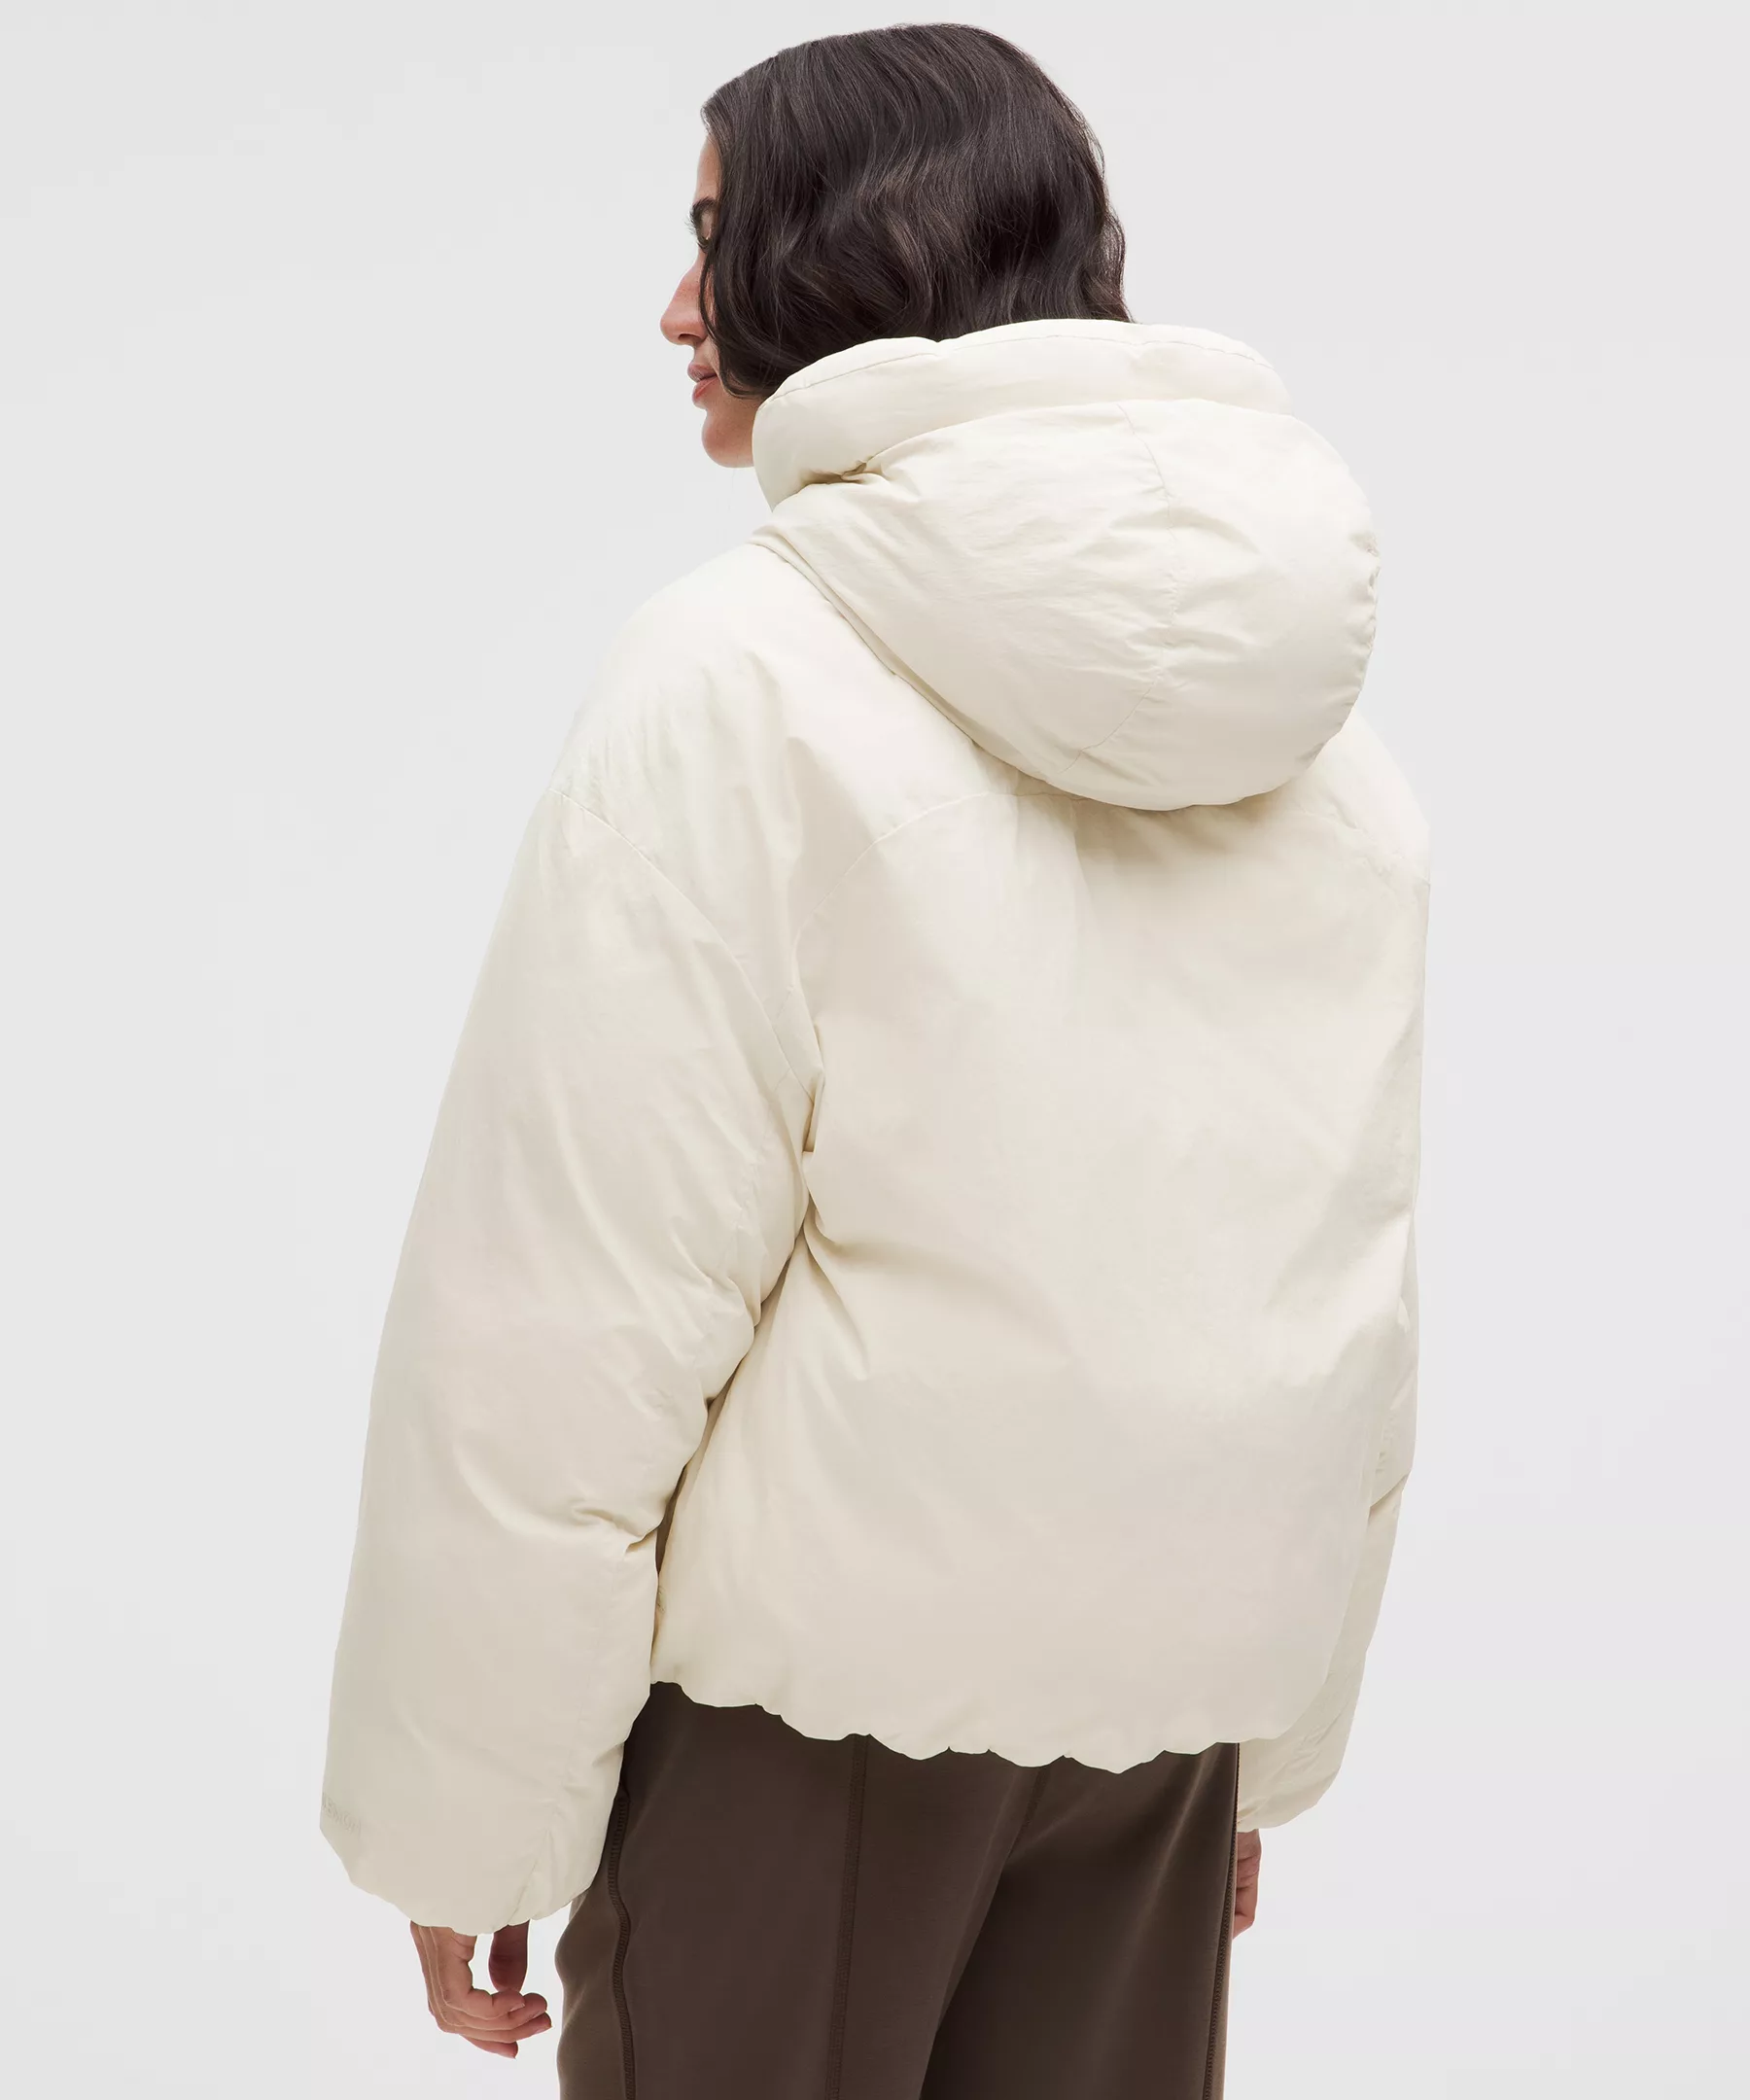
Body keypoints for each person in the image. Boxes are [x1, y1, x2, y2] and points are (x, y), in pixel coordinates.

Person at [321, 24, 1426, 2099]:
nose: (677, 308)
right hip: (1160, 1734)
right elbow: (1340, 1282)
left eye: (714, 238)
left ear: (853, 251)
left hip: (803, 1734)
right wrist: (1259, 1741)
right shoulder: (1317, 738)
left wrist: (471, 1814)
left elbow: (569, 1307)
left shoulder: (740, 673)